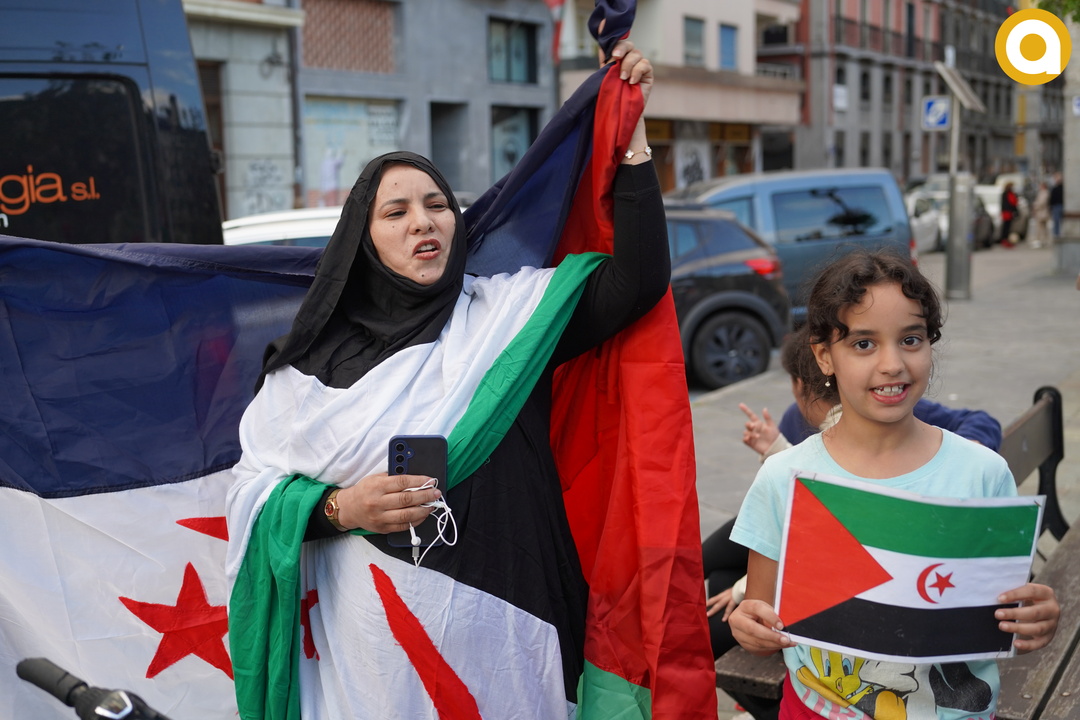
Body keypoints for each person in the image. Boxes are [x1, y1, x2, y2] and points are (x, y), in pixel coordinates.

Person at [224, 42, 681, 719]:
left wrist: (631, 135)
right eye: (396, 212)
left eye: (437, 204)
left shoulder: (509, 319)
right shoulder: (304, 372)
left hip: (515, 631)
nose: (423, 221)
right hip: (374, 659)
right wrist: (341, 508)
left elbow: (636, 281)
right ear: (362, 240)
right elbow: (251, 497)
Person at [727, 249, 1059, 720]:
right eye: (864, 343)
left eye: (911, 339)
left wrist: (1035, 620)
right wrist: (749, 628)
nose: (892, 363)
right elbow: (762, 618)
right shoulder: (784, 478)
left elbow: (1006, 614)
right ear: (823, 356)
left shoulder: (982, 473)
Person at [1031, 180, 1051, 249]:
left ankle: (1039, 241)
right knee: (1043, 227)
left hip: (1042, 212)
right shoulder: (1043, 192)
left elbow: (1042, 203)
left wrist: (1035, 207)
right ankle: (1044, 241)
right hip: (1042, 212)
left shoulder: (1044, 193)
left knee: (1040, 227)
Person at [1000, 181, 1019, 247]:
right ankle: (1004, 240)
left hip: (1009, 213)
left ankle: (1006, 240)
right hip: (1007, 213)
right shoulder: (1006, 194)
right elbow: (1011, 203)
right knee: (1006, 227)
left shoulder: (1010, 194)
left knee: (1008, 227)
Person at [1050, 172, 1063, 239]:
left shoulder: (1058, 188)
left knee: (1057, 220)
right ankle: (1057, 234)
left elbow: (1052, 199)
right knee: (1057, 221)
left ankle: (1057, 234)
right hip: (1057, 206)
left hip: (1057, 206)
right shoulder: (1056, 188)